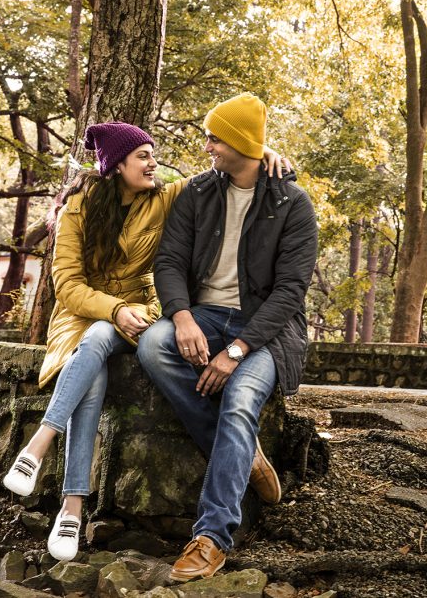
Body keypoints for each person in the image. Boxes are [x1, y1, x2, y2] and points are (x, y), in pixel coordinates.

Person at [1, 121, 288, 561]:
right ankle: (72, 504)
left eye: (153, 154)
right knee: (93, 359)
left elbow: (224, 169)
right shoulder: (77, 208)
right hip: (84, 314)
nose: (154, 163)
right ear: (116, 165)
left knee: (100, 345)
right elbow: (68, 286)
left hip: (142, 312)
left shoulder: (164, 197)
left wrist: (263, 152)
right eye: (143, 156)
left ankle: (41, 449)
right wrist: (113, 309)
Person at [137, 93, 318, 582]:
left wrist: (236, 351)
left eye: (216, 136)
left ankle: (212, 538)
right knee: (153, 345)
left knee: (239, 400)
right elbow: (169, 262)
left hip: (268, 330)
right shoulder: (198, 192)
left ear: (239, 142)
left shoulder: (292, 204)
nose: (208, 145)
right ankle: (245, 452)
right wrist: (181, 317)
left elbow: (289, 294)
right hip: (205, 315)